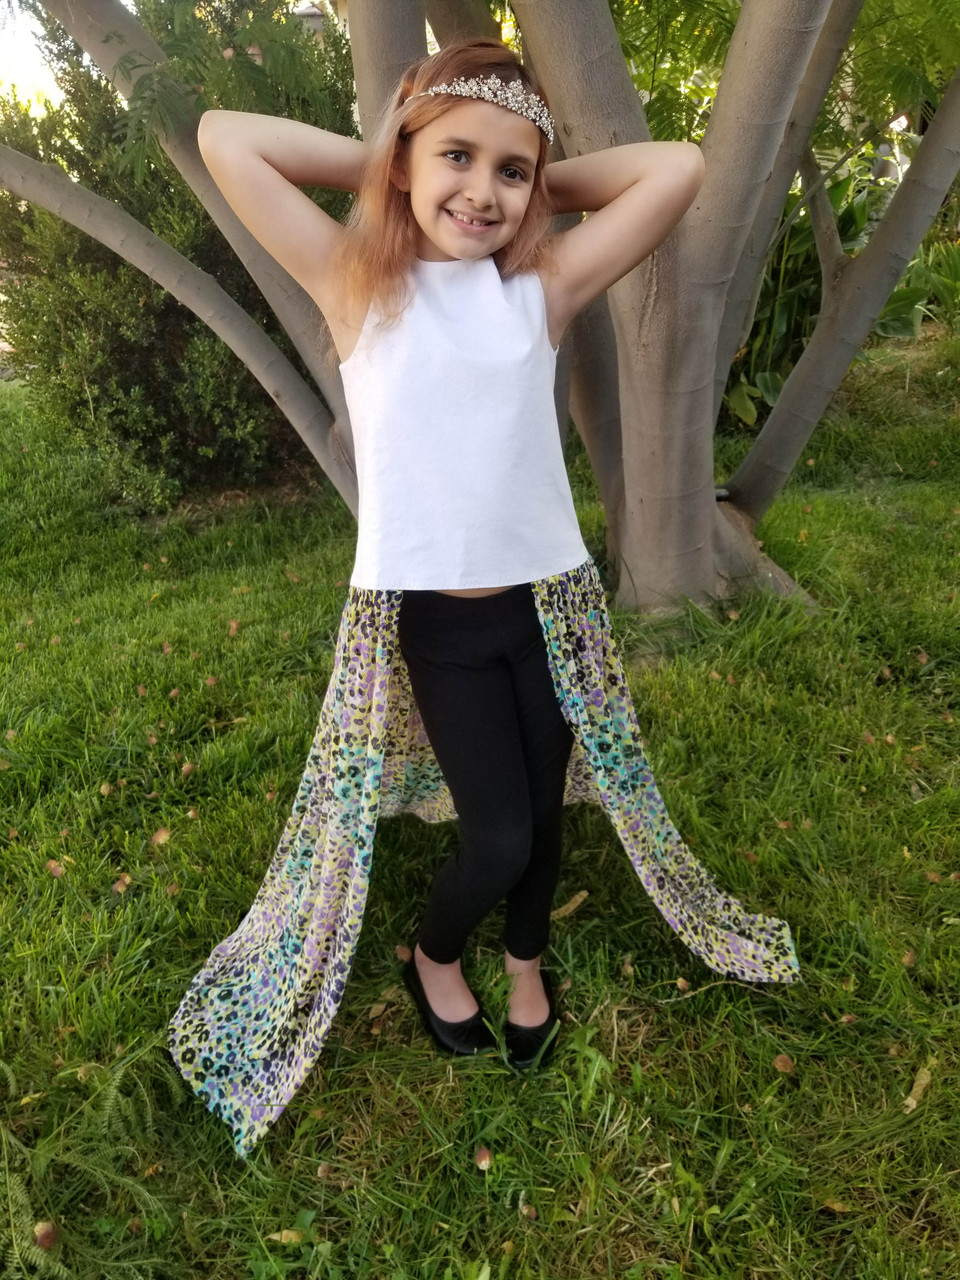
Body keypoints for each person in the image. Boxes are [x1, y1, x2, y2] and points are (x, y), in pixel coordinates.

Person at [168, 37, 799, 1159]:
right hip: (440, 626)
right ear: (405, 160)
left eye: (513, 172)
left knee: (543, 815)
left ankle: (525, 961)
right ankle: (434, 953)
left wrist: (530, 176)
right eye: (456, 158)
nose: (485, 191)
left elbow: (676, 169)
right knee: (498, 832)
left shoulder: (537, 290)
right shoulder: (355, 281)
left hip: (547, 608)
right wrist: (394, 155)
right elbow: (228, 138)